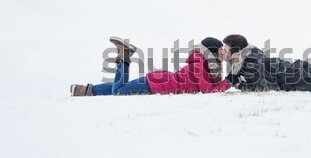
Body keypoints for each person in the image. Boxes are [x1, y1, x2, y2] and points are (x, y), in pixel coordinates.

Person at [70, 37, 233, 96]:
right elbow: (206, 90)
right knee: (119, 91)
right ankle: (124, 57)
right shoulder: (199, 62)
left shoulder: (202, 63)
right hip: (160, 85)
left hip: (160, 80)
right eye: (220, 50)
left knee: (123, 86)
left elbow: (208, 86)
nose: (222, 53)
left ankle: (88, 91)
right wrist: (229, 81)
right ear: (211, 50)